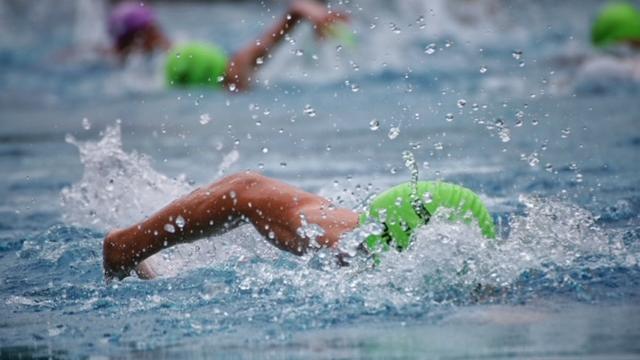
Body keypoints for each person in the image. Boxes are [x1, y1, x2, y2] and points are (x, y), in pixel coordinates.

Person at [103, 171, 496, 281]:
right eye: (359, 243)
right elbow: (245, 188)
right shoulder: (336, 236)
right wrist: (135, 243)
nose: (350, 252)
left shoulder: (484, 264)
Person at [107, 0, 349, 91]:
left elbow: (240, 63)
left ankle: (300, 12)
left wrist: (298, 13)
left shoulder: (180, 60)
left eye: (124, 45)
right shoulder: (181, 54)